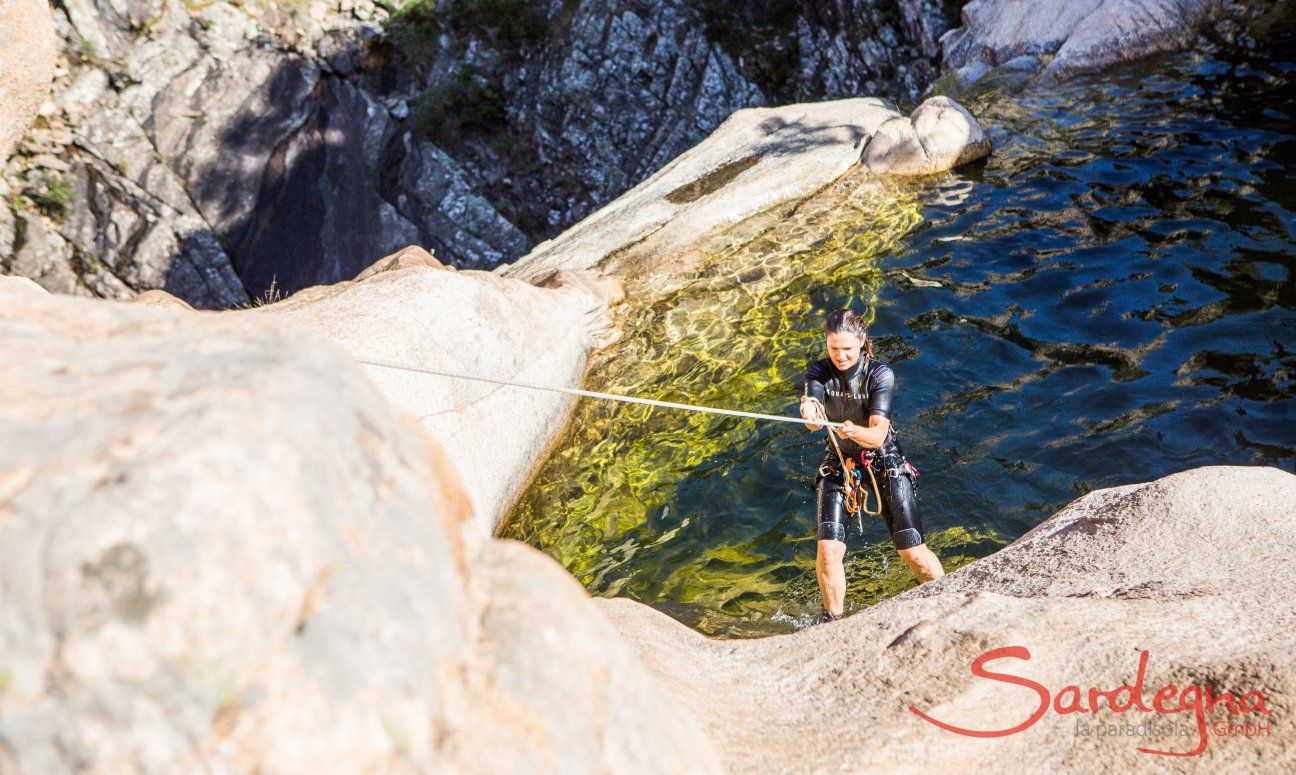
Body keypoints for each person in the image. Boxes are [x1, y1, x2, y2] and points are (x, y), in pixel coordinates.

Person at [799, 309, 944, 623]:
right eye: (833, 348)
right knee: (828, 551)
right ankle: (833, 622)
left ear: (862, 342)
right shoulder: (818, 372)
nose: (840, 355)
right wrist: (810, 413)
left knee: (911, 551)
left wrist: (854, 431)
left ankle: (947, 600)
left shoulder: (880, 375)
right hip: (839, 462)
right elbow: (812, 407)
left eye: (848, 348)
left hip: (884, 461)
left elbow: (878, 435)